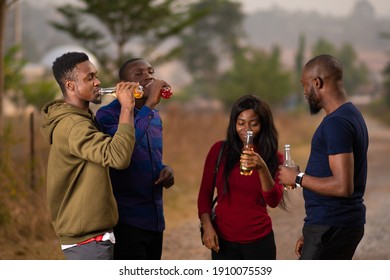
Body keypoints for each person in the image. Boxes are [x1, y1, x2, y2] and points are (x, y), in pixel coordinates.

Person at [40, 51, 137, 260]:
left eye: (96, 75)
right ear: (71, 85)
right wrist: (127, 108)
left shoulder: (81, 118)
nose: (98, 82)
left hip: (90, 238)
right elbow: (118, 157)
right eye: (90, 77)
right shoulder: (74, 125)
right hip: (88, 242)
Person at [278, 54, 369, 260]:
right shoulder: (351, 114)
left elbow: (342, 186)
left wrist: (297, 178)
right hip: (328, 225)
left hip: (332, 225)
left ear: (317, 82)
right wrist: (310, 230)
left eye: (304, 85)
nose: (303, 92)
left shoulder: (336, 123)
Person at [95, 58, 174, 260]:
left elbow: (149, 157)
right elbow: (122, 151)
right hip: (126, 220)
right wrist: (148, 105)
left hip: (155, 217)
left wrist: (166, 169)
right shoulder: (107, 115)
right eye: (138, 74)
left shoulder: (154, 116)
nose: (147, 77)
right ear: (123, 85)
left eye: (150, 72)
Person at [197, 94, 286, 260]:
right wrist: (207, 226)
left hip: (260, 243)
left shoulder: (275, 158)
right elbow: (204, 195)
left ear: (263, 125)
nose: (247, 129)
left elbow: (273, 201)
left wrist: (262, 168)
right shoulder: (219, 151)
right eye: (241, 123)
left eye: (254, 124)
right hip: (223, 242)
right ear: (233, 124)